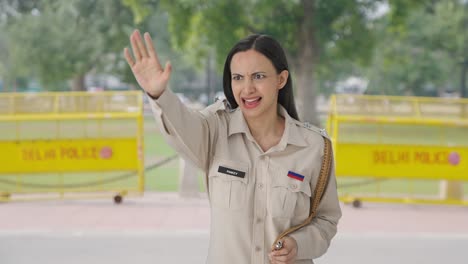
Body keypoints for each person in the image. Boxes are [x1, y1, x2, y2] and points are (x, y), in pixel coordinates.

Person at [124, 30, 341, 264]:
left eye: (258, 76)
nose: (247, 89)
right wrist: (159, 94)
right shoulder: (214, 130)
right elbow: (182, 127)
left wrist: (299, 244)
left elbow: (326, 219)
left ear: (281, 79)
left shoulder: (314, 147)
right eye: (237, 77)